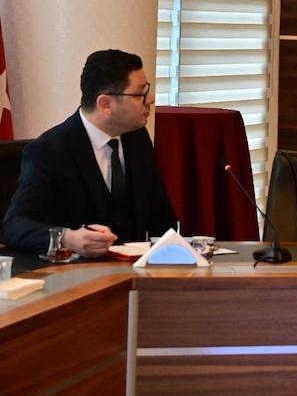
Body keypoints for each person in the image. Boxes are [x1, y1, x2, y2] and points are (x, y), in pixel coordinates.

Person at [1, 49, 178, 256]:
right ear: (106, 104)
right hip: (74, 271)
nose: (151, 99)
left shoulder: (138, 138)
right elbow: (13, 226)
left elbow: (162, 218)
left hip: (134, 269)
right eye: (140, 94)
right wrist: (67, 239)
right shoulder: (49, 151)